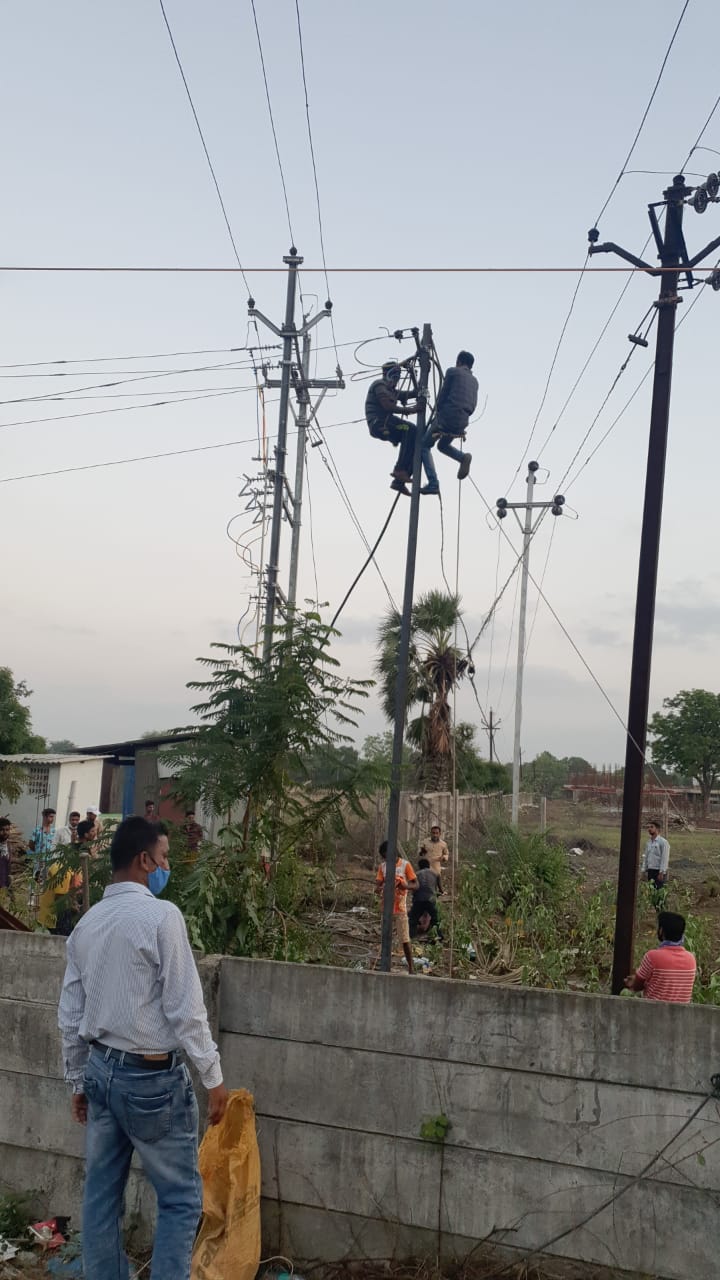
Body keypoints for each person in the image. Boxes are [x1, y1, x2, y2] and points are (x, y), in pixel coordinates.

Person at [58, 816, 228, 1280]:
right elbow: (185, 1007)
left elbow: (70, 1014)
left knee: (100, 1197)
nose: (166, 866)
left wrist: (77, 1080)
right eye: (164, 858)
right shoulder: (161, 916)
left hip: (100, 1071)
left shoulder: (87, 924)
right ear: (143, 861)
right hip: (151, 1080)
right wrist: (212, 1076)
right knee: (179, 1198)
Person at [365, 361, 427, 496]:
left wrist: (419, 389)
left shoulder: (392, 390)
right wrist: (411, 410)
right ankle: (399, 470)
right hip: (380, 423)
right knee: (408, 429)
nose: (396, 381)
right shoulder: (379, 385)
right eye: (395, 378)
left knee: (414, 439)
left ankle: (399, 481)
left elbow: (409, 394)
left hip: (388, 424)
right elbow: (388, 406)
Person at [421, 351, 479, 494]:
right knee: (442, 445)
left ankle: (433, 483)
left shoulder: (452, 372)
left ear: (459, 361)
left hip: (446, 418)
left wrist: (438, 412)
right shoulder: (475, 381)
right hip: (461, 422)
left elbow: (442, 396)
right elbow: (473, 405)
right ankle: (463, 457)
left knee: (424, 445)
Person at [624, 911, 696, 1003]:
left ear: (661, 931)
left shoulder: (652, 956)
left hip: (654, 1013)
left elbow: (638, 986)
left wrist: (633, 982)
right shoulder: (691, 959)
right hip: (681, 1015)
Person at [375, 839, 418, 973]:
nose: (386, 858)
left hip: (400, 908)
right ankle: (385, 964)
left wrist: (405, 886)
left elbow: (416, 885)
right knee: (385, 937)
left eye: (386, 855)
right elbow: (378, 884)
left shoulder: (405, 865)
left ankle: (411, 967)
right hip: (386, 908)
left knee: (404, 939)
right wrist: (378, 888)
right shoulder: (383, 867)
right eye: (384, 856)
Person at [38, 862, 82, 935]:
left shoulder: (73, 869)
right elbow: (60, 899)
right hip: (55, 916)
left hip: (59, 910)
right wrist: (75, 909)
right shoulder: (63, 871)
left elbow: (71, 892)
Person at [409, 856, 442, 938]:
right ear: (429, 865)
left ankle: (412, 937)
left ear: (419, 866)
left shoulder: (416, 874)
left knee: (413, 919)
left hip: (419, 900)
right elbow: (440, 889)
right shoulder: (436, 873)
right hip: (431, 899)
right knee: (436, 919)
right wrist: (439, 893)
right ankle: (439, 937)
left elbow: (413, 889)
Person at [29, 808, 58, 879]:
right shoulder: (37, 830)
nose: (52, 819)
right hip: (39, 859)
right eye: (51, 817)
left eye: (53, 817)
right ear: (45, 817)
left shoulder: (54, 831)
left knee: (48, 879)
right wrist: (38, 851)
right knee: (37, 878)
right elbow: (31, 844)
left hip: (50, 860)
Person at [640, 821, 670, 888]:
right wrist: (643, 870)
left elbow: (664, 858)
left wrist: (661, 872)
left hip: (658, 871)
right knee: (651, 891)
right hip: (650, 870)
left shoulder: (663, 842)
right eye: (648, 827)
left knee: (658, 892)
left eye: (651, 827)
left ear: (657, 829)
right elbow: (646, 857)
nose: (649, 829)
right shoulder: (648, 842)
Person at [0, 818, 11, 891]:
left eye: (7, 830)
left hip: (4, 886)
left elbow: (6, 861)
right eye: (2, 830)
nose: (5, 832)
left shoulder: (8, 845)